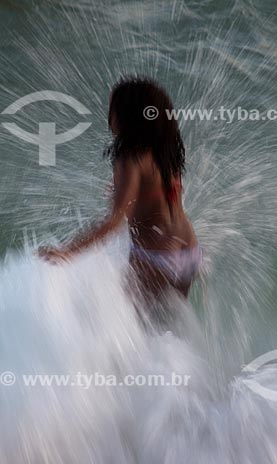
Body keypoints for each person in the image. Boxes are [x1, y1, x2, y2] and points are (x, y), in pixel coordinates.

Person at [39, 76, 202, 298]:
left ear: (128, 117)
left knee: (136, 328)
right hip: (189, 252)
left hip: (155, 257)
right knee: (170, 325)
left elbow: (115, 220)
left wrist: (67, 252)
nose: (109, 116)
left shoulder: (129, 159)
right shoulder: (165, 151)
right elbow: (156, 192)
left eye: (113, 109)